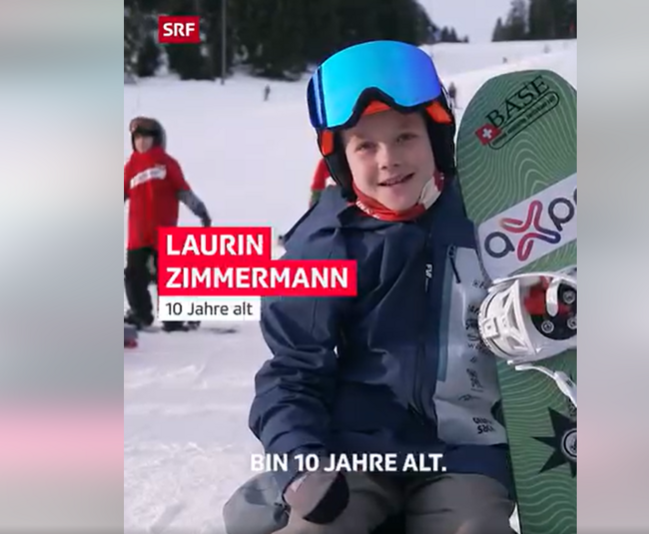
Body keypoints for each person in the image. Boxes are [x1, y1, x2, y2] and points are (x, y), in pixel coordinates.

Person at [239, 40, 516, 534]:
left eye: (406, 136)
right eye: (366, 145)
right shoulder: (324, 243)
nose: (389, 158)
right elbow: (292, 373)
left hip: (465, 454)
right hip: (357, 452)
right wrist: (301, 463)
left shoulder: (487, 215)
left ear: (437, 138)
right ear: (341, 161)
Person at [124, 116, 212, 332]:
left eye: (146, 138)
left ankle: (173, 318)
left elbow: (183, 190)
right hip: (137, 235)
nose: (142, 142)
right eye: (137, 138)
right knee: (134, 275)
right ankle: (141, 314)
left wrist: (200, 210)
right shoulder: (130, 167)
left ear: (157, 140)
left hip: (163, 232)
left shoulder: (167, 163)